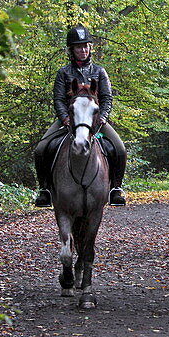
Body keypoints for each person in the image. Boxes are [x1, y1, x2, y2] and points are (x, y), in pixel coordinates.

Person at [34, 26, 127, 207]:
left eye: (86, 46)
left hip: (94, 120)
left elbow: (107, 98)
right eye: (79, 47)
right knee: (41, 148)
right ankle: (44, 190)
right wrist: (64, 118)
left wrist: (103, 117)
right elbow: (59, 99)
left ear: (90, 48)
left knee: (120, 149)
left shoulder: (100, 72)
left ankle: (116, 188)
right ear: (72, 50)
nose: (83, 50)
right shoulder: (63, 73)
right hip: (70, 120)